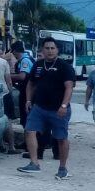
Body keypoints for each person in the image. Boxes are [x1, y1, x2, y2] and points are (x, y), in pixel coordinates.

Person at [17, 37, 75, 179]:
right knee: (29, 130)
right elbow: (31, 83)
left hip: (58, 109)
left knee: (61, 138)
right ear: (42, 50)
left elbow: (69, 87)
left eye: (52, 48)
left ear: (57, 50)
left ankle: (63, 168)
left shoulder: (65, 67)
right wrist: (29, 100)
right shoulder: (38, 65)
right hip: (39, 107)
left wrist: (64, 105)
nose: (49, 51)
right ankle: (34, 163)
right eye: (47, 48)